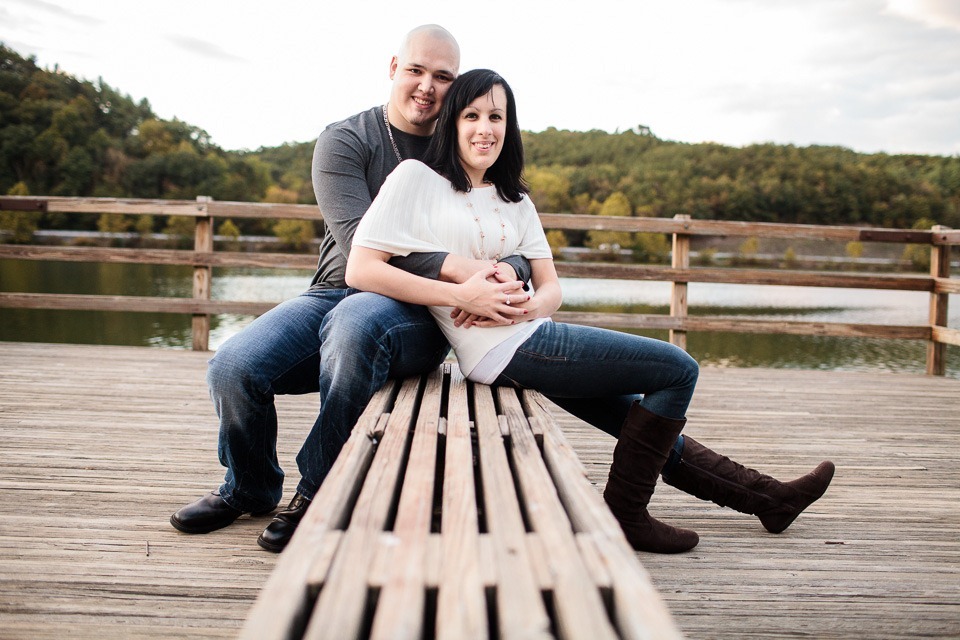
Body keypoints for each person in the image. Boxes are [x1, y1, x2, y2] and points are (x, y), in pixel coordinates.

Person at [346, 68, 836, 553]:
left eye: (497, 116)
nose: (485, 128)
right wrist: (460, 296)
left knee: (641, 427)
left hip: (531, 337)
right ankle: (626, 513)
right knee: (677, 369)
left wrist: (529, 303)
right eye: (472, 115)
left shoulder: (515, 199)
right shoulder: (414, 179)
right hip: (496, 352)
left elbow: (552, 287)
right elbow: (361, 270)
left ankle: (768, 499)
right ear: (453, 121)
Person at [169, 26, 533, 553]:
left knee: (356, 324)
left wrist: (513, 268)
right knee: (233, 366)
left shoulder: (458, 142)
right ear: (393, 68)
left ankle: (318, 491)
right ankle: (249, 486)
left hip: (421, 311)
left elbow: (507, 219)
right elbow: (362, 242)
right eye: (416, 70)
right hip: (334, 290)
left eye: (443, 76)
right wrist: (462, 267)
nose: (427, 86)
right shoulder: (346, 140)